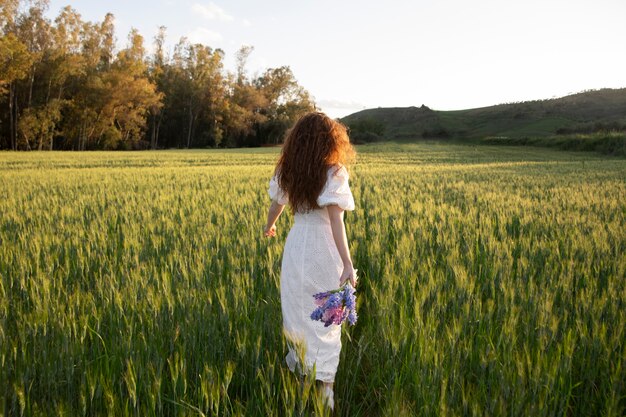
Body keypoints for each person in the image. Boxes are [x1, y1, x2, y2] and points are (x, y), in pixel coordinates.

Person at [263, 111, 357, 410]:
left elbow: (276, 205)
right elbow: (335, 222)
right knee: (328, 319)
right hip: (324, 249)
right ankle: (326, 389)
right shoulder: (334, 172)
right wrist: (347, 263)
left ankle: (303, 381)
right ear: (330, 140)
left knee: (299, 315)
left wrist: (269, 227)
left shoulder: (288, 171)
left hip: (297, 247)